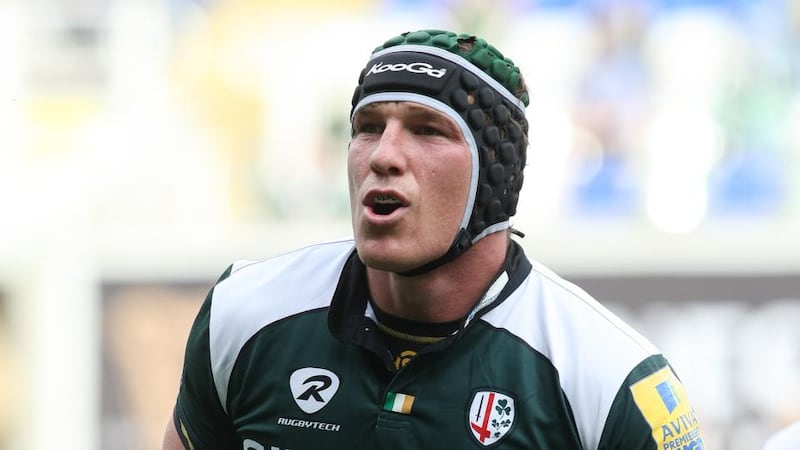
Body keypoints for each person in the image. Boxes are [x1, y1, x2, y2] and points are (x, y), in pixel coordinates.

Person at [162, 29, 705, 450]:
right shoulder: (245, 312)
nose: (383, 156)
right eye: (368, 127)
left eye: (426, 130)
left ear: (495, 172)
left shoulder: (609, 376)